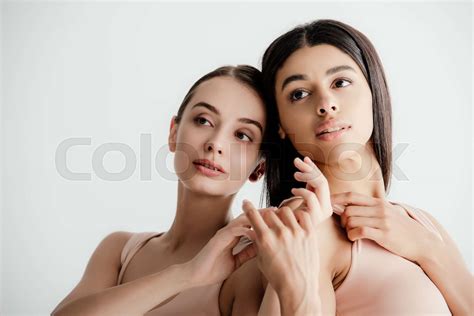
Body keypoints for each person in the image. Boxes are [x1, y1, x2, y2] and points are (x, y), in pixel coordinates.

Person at [223, 19, 473, 315]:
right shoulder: (303, 228)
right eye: (299, 94)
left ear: (373, 91)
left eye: (340, 83)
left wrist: (427, 248)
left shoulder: (421, 225)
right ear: (279, 125)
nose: (326, 103)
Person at [51, 65, 274, 315]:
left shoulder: (249, 266)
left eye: (243, 135)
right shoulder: (119, 250)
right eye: (203, 120)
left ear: (260, 167)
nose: (216, 144)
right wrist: (186, 274)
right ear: (173, 133)